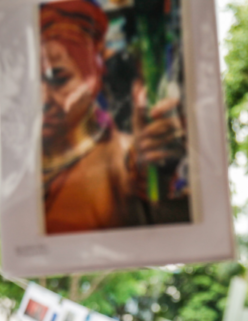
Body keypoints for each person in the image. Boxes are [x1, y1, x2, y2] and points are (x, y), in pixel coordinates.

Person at [39, 0, 186, 234]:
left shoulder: (127, 161)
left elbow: (178, 229)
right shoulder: (27, 169)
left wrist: (161, 167)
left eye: (59, 79)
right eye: (31, 81)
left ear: (94, 79)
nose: (43, 99)